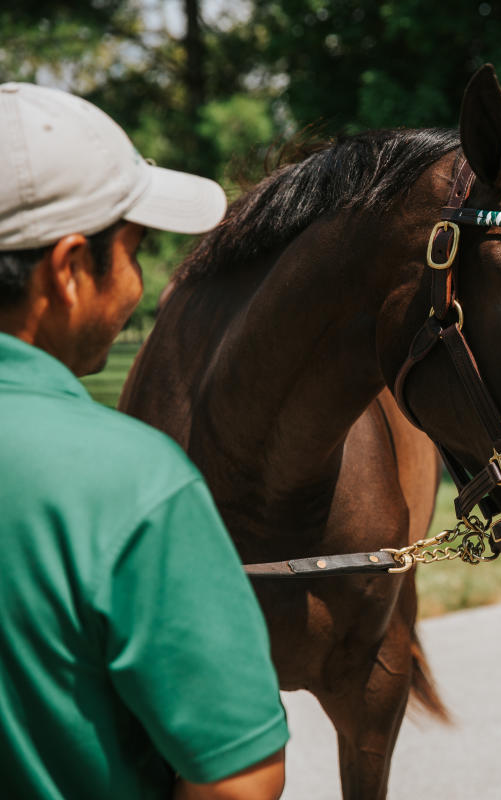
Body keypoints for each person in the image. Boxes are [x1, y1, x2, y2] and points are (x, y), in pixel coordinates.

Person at [0, 83, 289, 799]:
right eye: (136, 247)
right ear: (69, 271)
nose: (139, 279)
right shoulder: (129, 481)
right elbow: (238, 781)